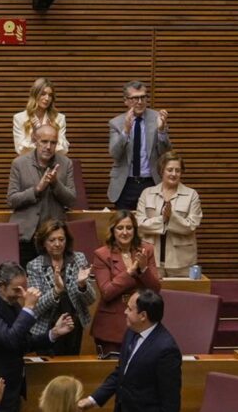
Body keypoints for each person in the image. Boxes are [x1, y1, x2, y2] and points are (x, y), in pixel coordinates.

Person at [0, 261, 72, 412]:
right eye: (17, 289)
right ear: (1, 285)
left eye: (23, 288)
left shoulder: (12, 303)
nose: (22, 294)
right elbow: (9, 339)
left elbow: (22, 342)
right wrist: (29, 307)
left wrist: (53, 334)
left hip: (12, 383)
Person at [80, 289, 182, 412]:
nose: (125, 312)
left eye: (129, 308)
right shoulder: (131, 332)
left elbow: (171, 398)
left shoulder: (166, 349)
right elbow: (121, 373)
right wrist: (92, 400)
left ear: (143, 316)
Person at [91, 210, 161, 354]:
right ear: (113, 230)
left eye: (129, 228)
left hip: (142, 322)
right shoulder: (102, 254)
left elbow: (155, 290)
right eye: (120, 228)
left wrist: (143, 269)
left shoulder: (146, 250)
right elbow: (107, 292)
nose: (125, 232)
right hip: (111, 326)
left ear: (135, 230)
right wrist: (129, 273)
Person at [7, 121, 77, 266]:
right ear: (35, 140)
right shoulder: (19, 164)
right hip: (26, 235)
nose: (48, 147)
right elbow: (12, 200)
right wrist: (37, 189)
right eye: (44, 142)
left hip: (53, 236)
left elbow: (71, 200)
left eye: (53, 143)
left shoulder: (66, 163)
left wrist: (55, 184)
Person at [25, 219, 95, 356]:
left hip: (73, 324)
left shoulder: (78, 259)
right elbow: (36, 306)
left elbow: (91, 299)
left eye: (61, 239)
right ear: (43, 243)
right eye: (52, 240)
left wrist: (82, 285)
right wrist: (56, 291)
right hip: (47, 327)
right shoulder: (34, 266)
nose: (57, 244)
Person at [136, 151, 202, 278]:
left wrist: (172, 217)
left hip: (181, 261)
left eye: (178, 170)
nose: (174, 174)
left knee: (182, 296)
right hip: (152, 259)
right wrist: (163, 219)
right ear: (162, 171)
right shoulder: (147, 193)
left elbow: (192, 225)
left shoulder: (192, 195)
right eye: (170, 170)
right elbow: (140, 223)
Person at [108, 80, 171, 211]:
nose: (140, 102)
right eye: (135, 98)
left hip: (151, 182)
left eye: (143, 97)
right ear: (126, 101)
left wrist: (161, 131)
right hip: (125, 184)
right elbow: (115, 154)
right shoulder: (116, 123)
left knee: (152, 227)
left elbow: (166, 155)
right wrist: (125, 131)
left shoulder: (158, 118)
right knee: (125, 227)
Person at [12, 77, 69, 156]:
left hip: (53, 164)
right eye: (43, 94)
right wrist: (33, 136)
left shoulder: (59, 118)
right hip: (28, 165)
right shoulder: (19, 118)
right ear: (35, 95)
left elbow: (64, 150)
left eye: (50, 95)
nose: (47, 98)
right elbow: (20, 150)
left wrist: (52, 133)